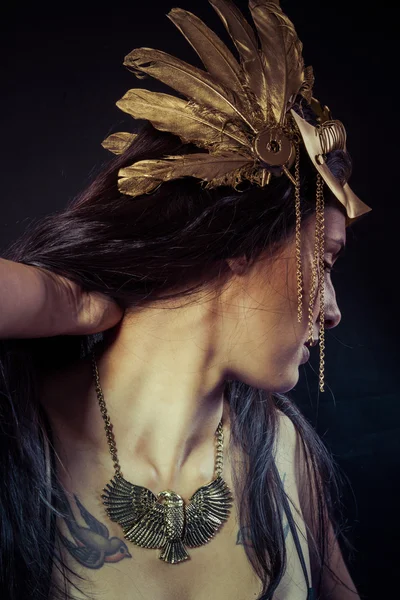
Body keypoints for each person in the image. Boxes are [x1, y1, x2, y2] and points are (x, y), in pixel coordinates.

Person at [0, 1, 371, 599]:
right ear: (241, 243)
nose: (332, 310)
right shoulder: (17, 434)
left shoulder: (284, 454)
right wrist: (63, 299)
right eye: (323, 260)